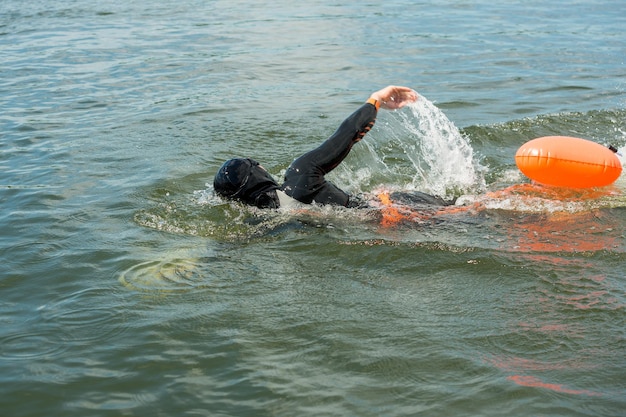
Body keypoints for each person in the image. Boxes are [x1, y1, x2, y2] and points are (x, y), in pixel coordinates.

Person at [213, 85, 449, 209]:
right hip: (397, 211)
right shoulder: (300, 175)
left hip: (378, 226)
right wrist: (376, 98)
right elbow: (347, 134)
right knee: (478, 205)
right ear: (258, 172)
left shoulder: (260, 218)